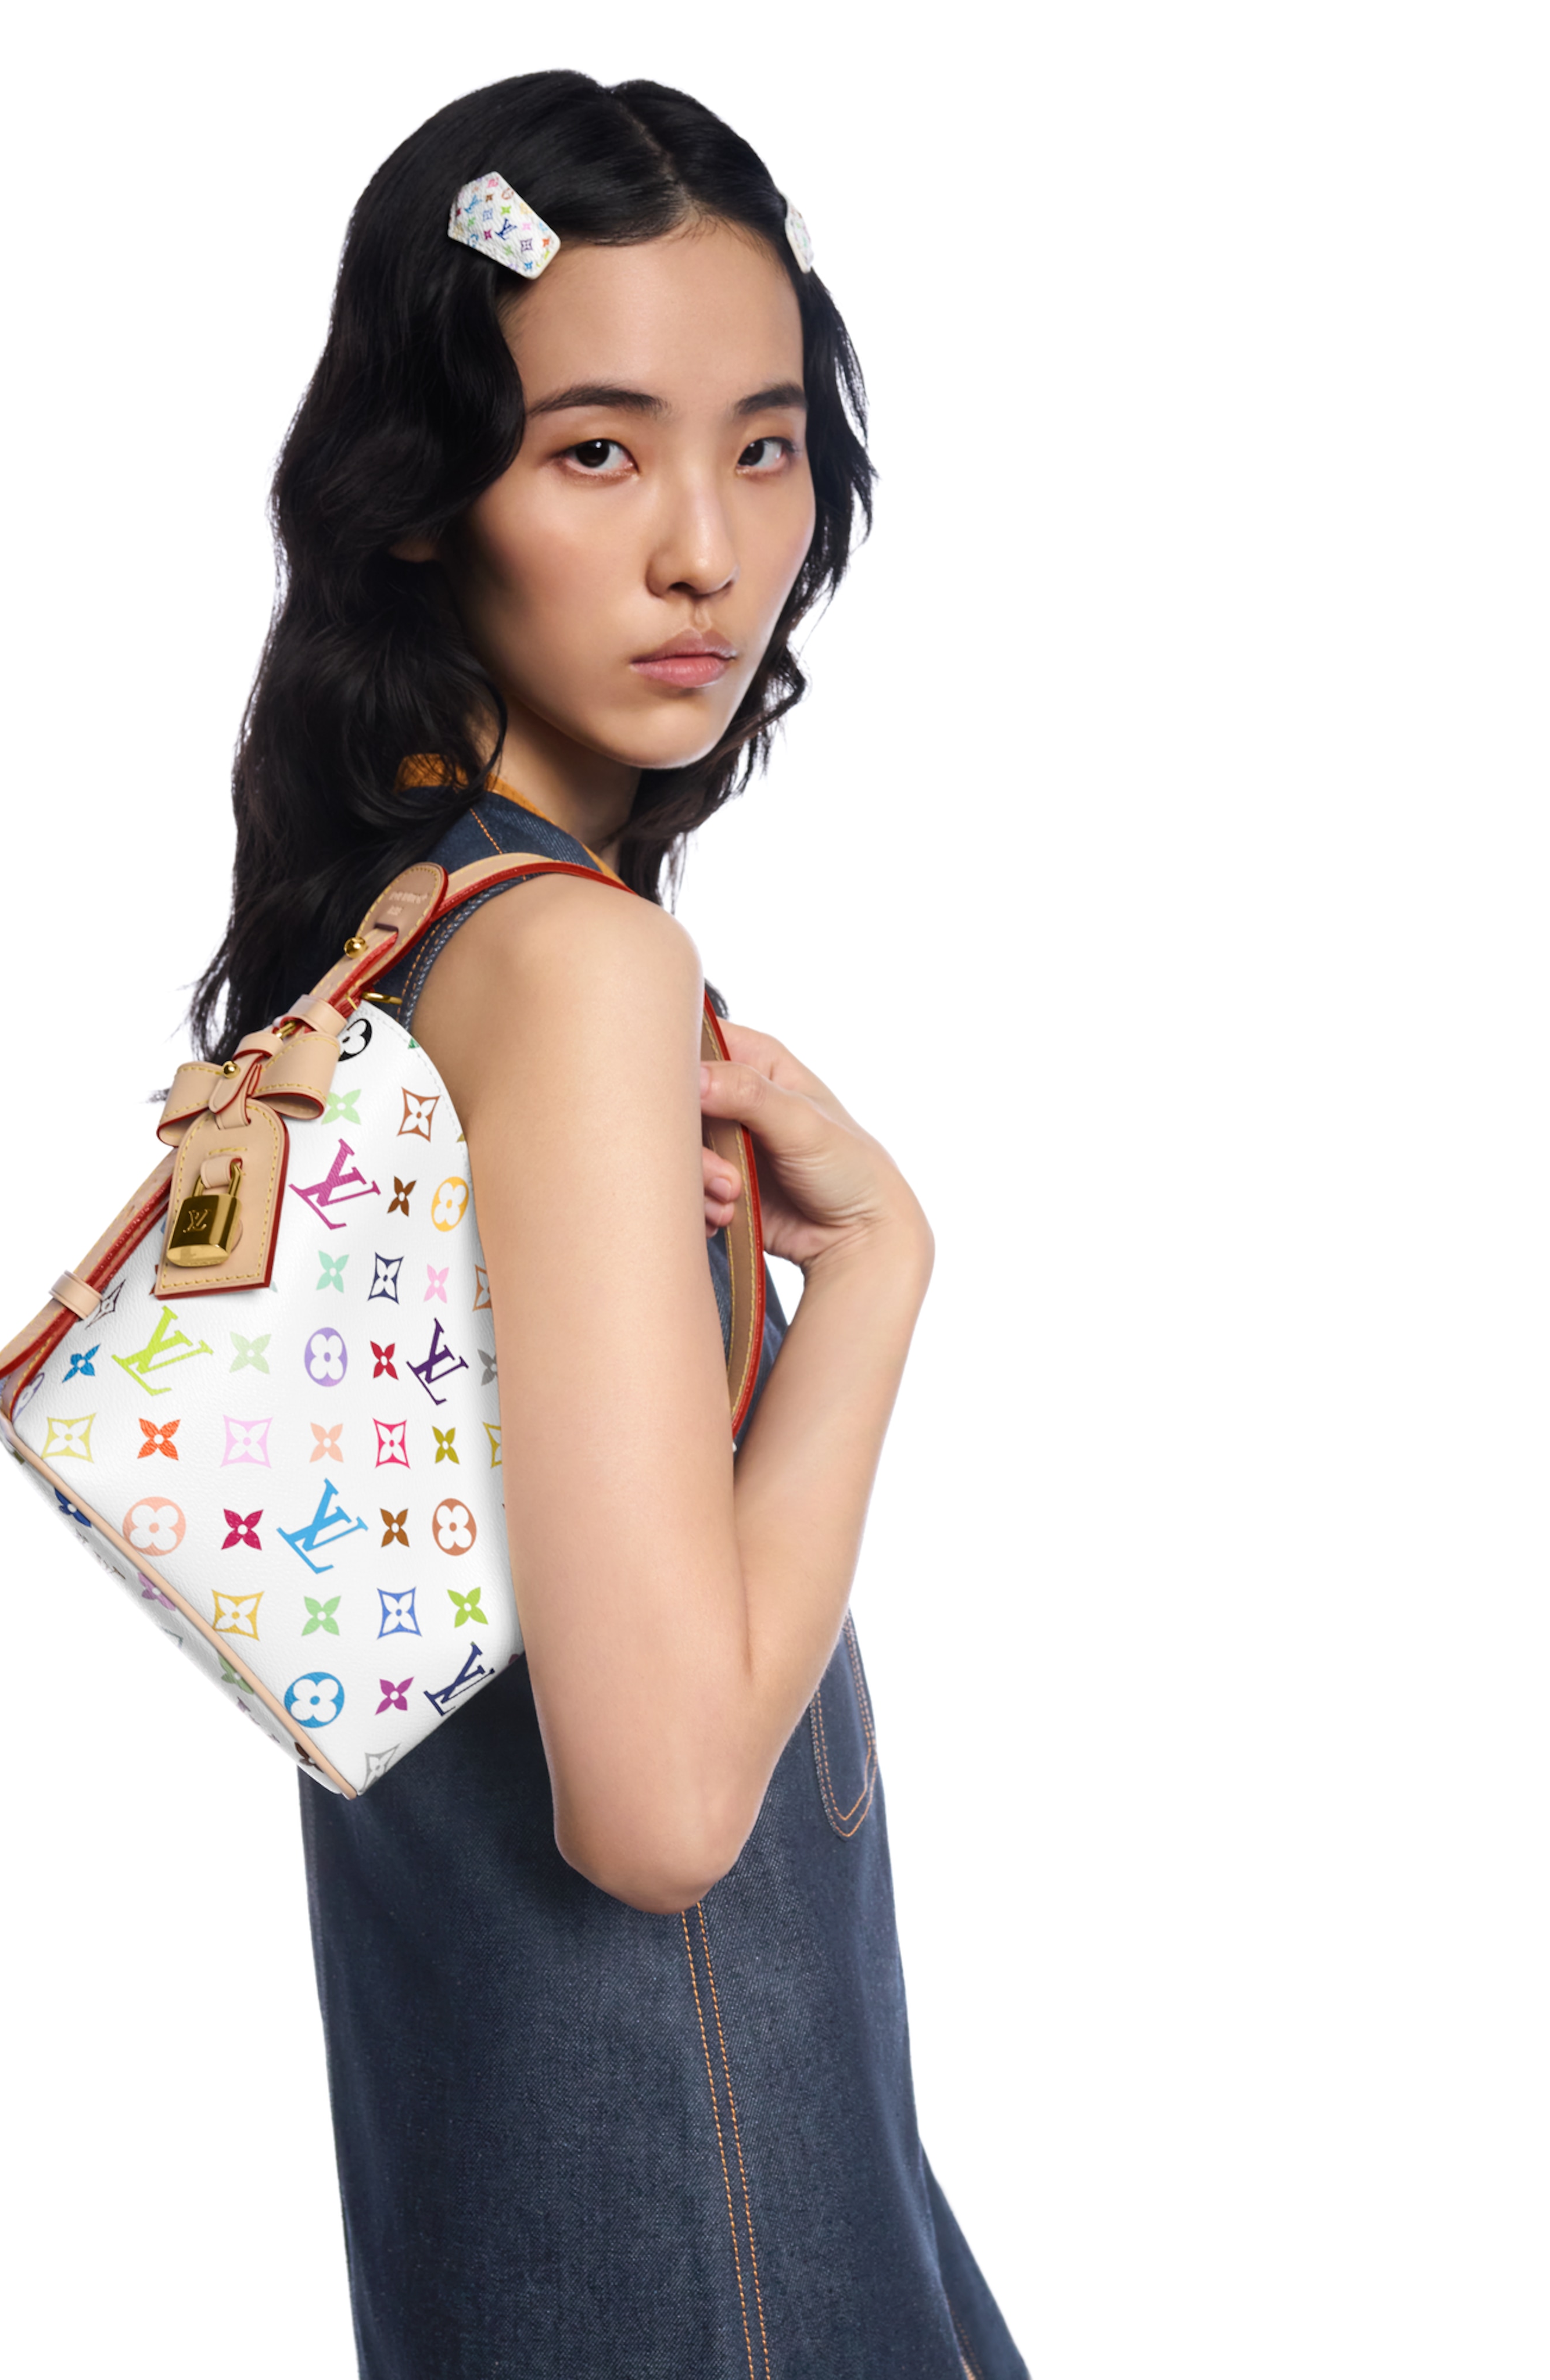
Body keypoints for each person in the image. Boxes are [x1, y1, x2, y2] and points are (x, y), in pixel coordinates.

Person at [190, 70, 1030, 2380]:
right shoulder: (569, 965)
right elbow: (659, 1816)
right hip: (687, 2193)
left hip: (575, 2189)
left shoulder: (407, 942)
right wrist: (878, 1278)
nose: (704, 550)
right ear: (418, 498)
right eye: (594, 450)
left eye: (764, 448)